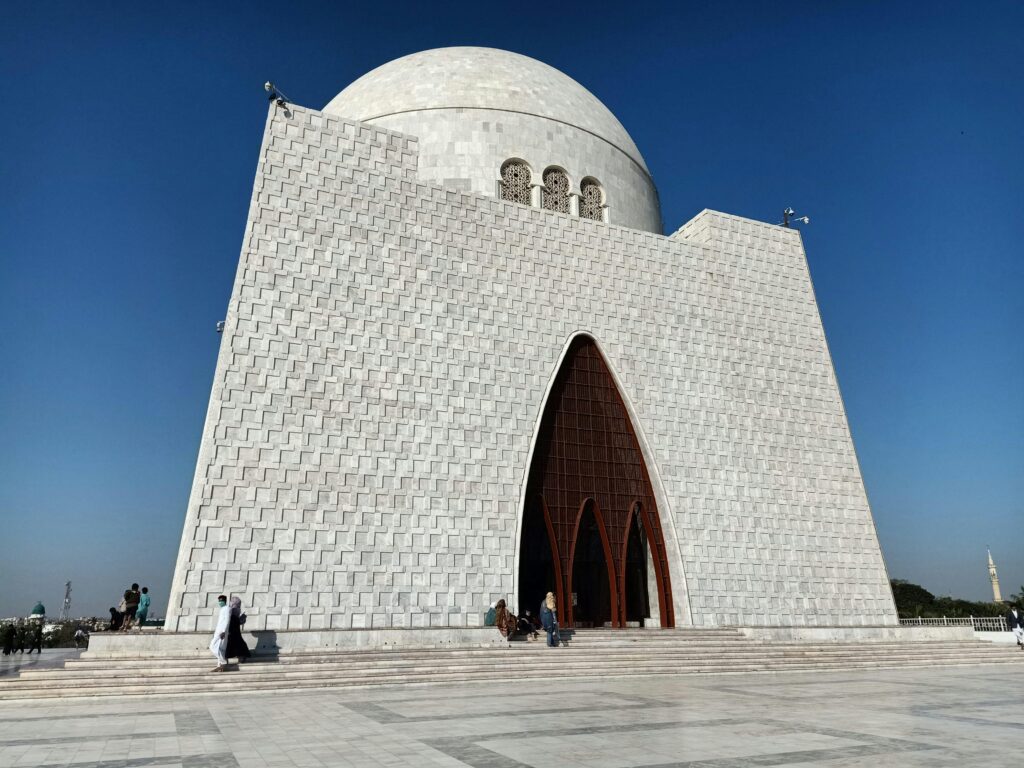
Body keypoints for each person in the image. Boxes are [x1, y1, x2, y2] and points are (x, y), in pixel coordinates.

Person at [225, 596, 251, 663]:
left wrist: (242, 618)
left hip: (233, 629)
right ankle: (240, 656)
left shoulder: (230, 609)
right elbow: (237, 620)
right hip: (232, 629)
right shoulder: (231, 609)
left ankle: (239, 656)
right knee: (237, 643)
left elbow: (238, 621)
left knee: (235, 643)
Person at [209, 594, 230, 672]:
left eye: (221, 600)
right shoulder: (222, 609)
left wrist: (224, 631)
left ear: (225, 601)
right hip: (218, 631)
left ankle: (223, 661)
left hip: (222, 632)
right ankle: (219, 666)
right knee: (220, 648)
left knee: (212, 646)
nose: (220, 602)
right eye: (219, 601)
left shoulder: (227, 608)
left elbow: (227, 620)